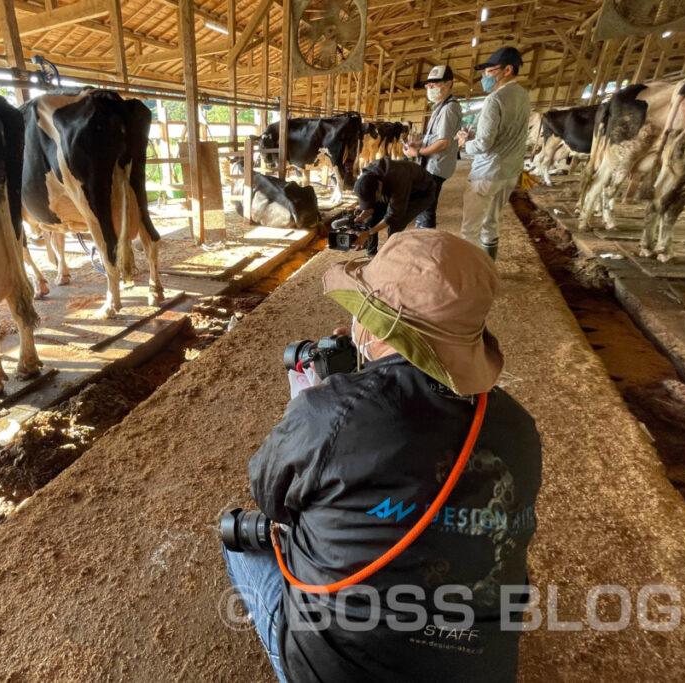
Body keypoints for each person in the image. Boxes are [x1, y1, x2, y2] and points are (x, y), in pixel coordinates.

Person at [222, 230, 542, 683]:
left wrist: (317, 405)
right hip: (481, 670)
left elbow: (272, 498)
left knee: (239, 538)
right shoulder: (517, 425)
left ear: (371, 326)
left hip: (340, 670)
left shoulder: (330, 413)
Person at [456, 46, 531, 260]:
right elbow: (505, 135)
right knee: (491, 221)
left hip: (487, 173)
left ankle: (470, 276)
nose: (485, 77)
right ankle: (489, 265)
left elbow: (483, 145)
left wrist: (464, 143)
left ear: (507, 70)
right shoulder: (523, 95)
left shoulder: (494, 99)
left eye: (489, 71)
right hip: (510, 172)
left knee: (470, 229)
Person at [403, 64, 463, 228]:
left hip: (437, 166)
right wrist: (420, 143)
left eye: (435, 84)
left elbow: (444, 142)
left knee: (426, 207)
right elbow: (436, 137)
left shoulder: (449, 108)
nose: (429, 88)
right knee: (425, 206)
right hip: (433, 165)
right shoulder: (441, 107)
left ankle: (425, 239)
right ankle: (424, 236)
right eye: (428, 85)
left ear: (448, 83)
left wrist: (418, 152)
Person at [350, 157, 439, 254]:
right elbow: (370, 206)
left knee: (395, 225)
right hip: (391, 188)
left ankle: (391, 255)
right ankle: (371, 255)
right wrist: (362, 216)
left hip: (421, 193)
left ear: (379, 185)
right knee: (371, 219)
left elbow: (393, 216)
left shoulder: (398, 180)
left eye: (374, 197)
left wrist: (369, 233)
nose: (373, 200)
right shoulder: (367, 177)